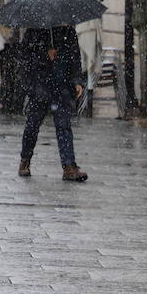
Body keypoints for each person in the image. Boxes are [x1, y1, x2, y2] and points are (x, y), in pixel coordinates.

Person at [18, 25, 88, 182]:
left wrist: (77, 80)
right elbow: (25, 58)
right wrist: (44, 55)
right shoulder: (34, 30)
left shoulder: (68, 31)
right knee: (32, 124)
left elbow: (74, 57)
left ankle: (69, 166)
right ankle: (25, 160)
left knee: (64, 126)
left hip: (62, 85)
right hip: (40, 85)